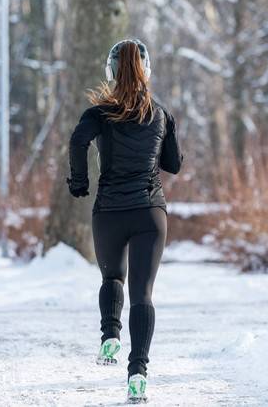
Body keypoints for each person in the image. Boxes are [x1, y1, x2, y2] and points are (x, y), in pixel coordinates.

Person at [66, 39, 183, 403]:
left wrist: (79, 181)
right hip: (150, 212)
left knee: (112, 276)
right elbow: (174, 165)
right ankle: (138, 374)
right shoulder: (161, 114)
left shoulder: (98, 114)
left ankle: (110, 337)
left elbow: (77, 141)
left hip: (111, 211)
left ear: (111, 72)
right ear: (146, 71)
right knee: (143, 295)